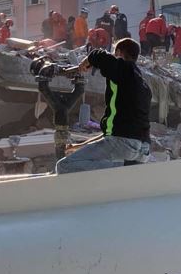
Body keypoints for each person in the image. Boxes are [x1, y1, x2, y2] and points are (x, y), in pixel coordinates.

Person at [56, 38, 151, 173]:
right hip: (142, 150)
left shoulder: (124, 69)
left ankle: (122, 170)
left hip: (123, 146)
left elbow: (98, 55)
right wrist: (80, 146)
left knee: (64, 166)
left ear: (118, 52)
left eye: (114, 53)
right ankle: (127, 169)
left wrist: (85, 62)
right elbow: (113, 134)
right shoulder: (143, 84)